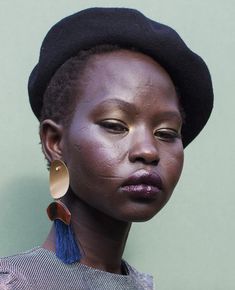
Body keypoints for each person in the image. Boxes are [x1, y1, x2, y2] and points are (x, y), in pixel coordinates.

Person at [0, 7, 213, 290]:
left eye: (166, 132)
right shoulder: (16, 283)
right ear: (54, 142)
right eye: (115, 125)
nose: (149, 151)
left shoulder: (140, 285)